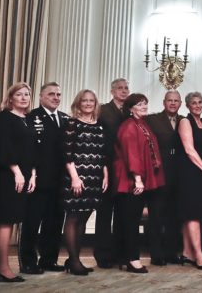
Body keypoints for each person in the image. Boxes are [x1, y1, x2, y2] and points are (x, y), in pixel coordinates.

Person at [0, 82, 35, 283]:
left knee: (14, 219)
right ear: (11, 98)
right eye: (19, 94)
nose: (23, 98)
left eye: (26, 94)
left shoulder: (28, 118)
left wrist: (32, 174)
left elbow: (32, 150)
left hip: (24, 175)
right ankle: (3, 268)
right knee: (6, 220)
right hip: (8, 175)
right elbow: (4, 147)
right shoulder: (5, 117)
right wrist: (17, 172)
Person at [113, 93, 165, 274]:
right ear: (130, 108)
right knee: (130, 222)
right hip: (131, 181)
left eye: (145, 103)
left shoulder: (141, 124)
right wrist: (138, 179)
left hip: (141, 179)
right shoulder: (128, 127)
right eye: (140, 104)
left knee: (129, 220)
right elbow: (131, 155)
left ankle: (124, 257)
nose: (144, 106)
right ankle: (132, 259)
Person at [61, 89, 109, 276]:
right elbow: (67, 154)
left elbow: (103, 153)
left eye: (91, 100)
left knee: (83, 217)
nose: (88, 103)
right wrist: (74, 177)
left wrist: (105, 175)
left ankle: (74, 259)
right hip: (77, 178)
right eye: (84, 100)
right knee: (73, 217)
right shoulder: (71, 123)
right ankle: (74, 261)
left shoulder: (100, 125)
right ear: (78, 103)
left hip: (95, 178)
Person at [22, 82, 68, 274]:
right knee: (32, 222)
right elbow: (28, 150)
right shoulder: (32, 117)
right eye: (51, 94)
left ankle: (49, 259)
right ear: (41, 97)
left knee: (55, 222)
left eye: (58, 94)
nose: (56, 97)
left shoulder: (65, 119)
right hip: (39, 180)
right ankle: (28, 261)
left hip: (60, 181)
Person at [144, 91, 186, 266]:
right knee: (156, 216)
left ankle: (171, 252)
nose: (173, 103)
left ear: (180, 103)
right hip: (159, 174)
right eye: (170, 100)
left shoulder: (185, 120)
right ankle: (156, 254)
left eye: (176, 100)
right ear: (164, 102)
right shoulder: (152, 120)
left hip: (179, 175)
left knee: (174, 217)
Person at [177, 92, 202, 270]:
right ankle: (199, 255)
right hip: (191, 174)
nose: (198, 105)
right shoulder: (185, 122)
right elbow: (189, 150)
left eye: (200, 102)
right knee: (194, 214)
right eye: (194, 103)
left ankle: (186, 252)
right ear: (188, 105)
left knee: (194, 214)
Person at [94, 78, 131, 268]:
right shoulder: (103, 110)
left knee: (122, 213)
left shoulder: (130, 111)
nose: (124, 91)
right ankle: (102, 255)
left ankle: (119, 253)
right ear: (112, 91)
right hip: (106, 165)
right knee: (105, 211)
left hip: (125, 168)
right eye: (120, 88)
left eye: (126, 88)